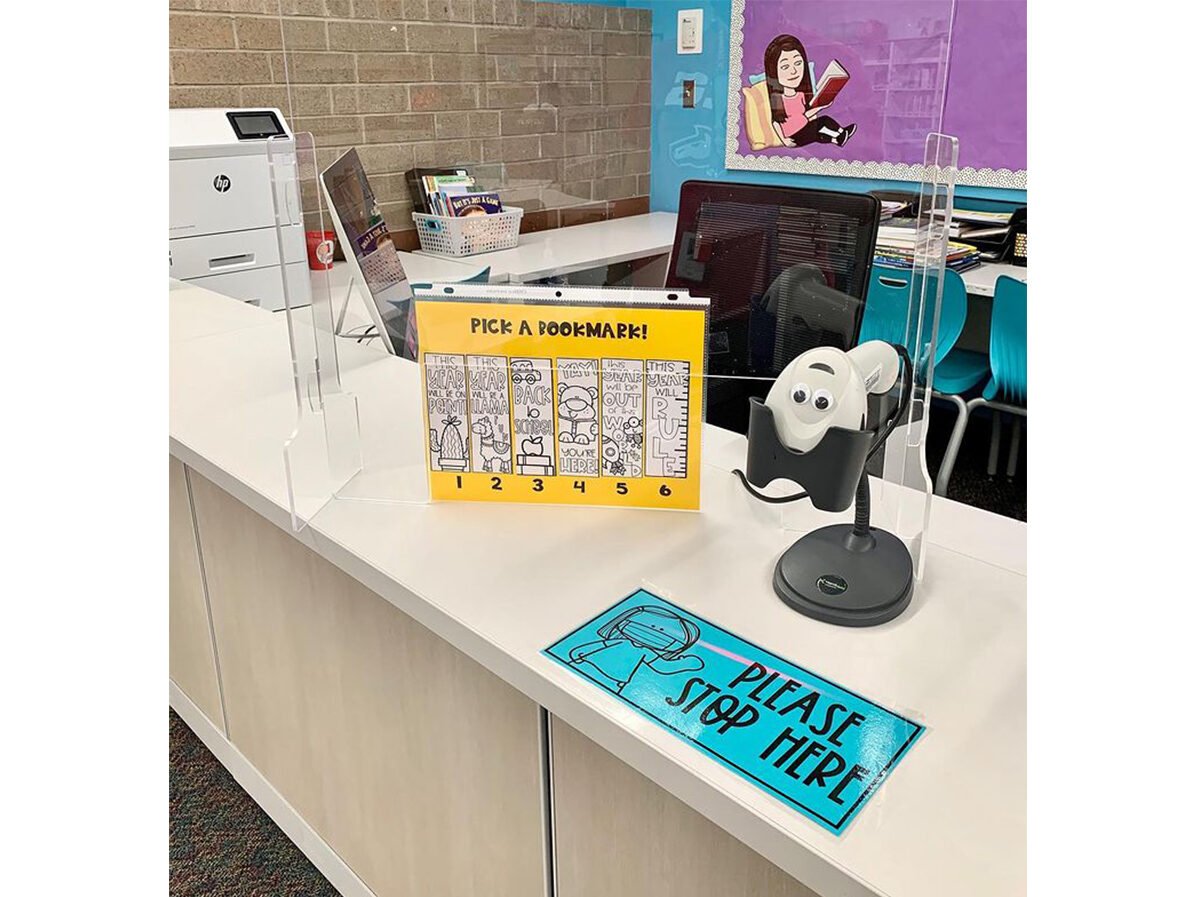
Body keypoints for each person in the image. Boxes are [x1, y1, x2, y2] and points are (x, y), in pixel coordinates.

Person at [764, 34, 856, 148]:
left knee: (822, 124)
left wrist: (821, 105)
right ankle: (839, 136)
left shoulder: (801, 95)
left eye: (798, 63)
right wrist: (784, 140)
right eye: (785, 67)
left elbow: (806, 115)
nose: (793, 71)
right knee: (819, 128)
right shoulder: (777, 99)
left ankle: (838, 137)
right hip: (794, 137)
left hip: (805, 128)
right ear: (774, 71)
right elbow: (776, 122)